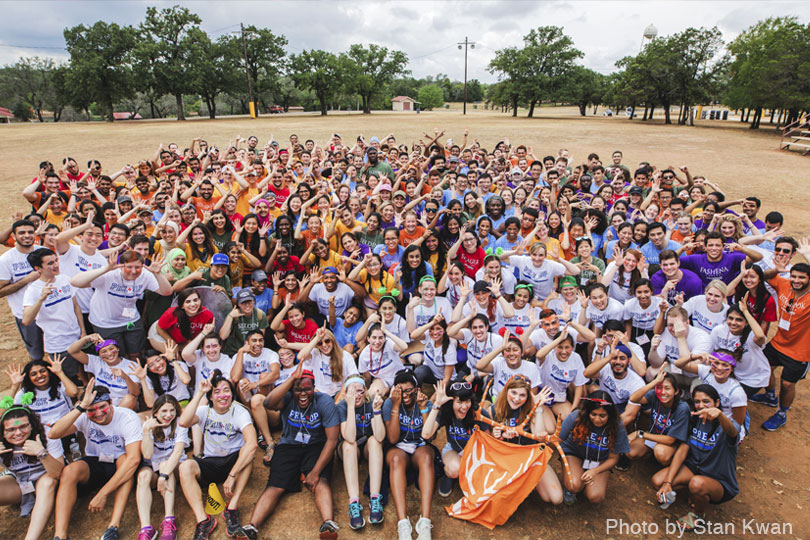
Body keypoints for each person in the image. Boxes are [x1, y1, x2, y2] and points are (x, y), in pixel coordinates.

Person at [243, 366, 341, 540]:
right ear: (292, 389)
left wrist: (315, 472)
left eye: (307, 389)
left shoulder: (324, 402)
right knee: (275, 485)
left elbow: (332, 440)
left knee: (320, 482)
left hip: (316, 446)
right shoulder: (287, 397)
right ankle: (251, 528)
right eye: (298, 389)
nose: (303, 394)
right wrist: (290, 381)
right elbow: (268, 403)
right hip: (289, 446)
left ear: (314, 388)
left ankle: (328, 524)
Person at [49, 380, 143, 540]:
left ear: (111, 403)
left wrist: (103, 493)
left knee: (125, 462)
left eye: (102, 407)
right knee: (70, 471)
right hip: (96, 460)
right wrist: (80, 408)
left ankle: (113, 526)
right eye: (92, 410)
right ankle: (60, 535)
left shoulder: (127, 417)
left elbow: (134, 459)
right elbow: (53, 433)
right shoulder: (83, 415)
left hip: (120, 461)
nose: (98, 413)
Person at [178, 370, 257, 540]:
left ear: (232, 394)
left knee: (248, 452)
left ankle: (232, 508)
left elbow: (252, 443)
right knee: (185, 466)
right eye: (217, 392)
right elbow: (183, 422)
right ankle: (203, 520)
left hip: (233, 461)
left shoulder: (239, 412)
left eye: (226, 390)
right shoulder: (204, 410)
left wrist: (232, 474)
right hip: (210, 461)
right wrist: (200, 392)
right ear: (211, 397)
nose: (222, 395)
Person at [651, 385, 740, 532]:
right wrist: (668, 483)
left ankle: (698, 515)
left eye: (706, 401)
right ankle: (695, 494)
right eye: (697, 402)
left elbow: (732, 432)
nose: (701, 405)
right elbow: (682, 451)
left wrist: (719, 415)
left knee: (697, 483)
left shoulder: (727, 424)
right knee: (658, 481)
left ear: (717, 403)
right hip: (696, 469)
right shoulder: (694, 420)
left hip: (719, 480)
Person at [70, 251, 172, 359]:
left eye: (137, 267)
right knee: (117, 356)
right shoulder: (109, 274)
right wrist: (105, 269)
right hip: (105, 323)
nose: (133, 271)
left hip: (131, 321)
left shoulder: (145, 275)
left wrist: (157, 274)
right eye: (129, 267)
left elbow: (167, 291)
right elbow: (75, 282)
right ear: (121, 266)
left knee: (136, 353)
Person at [752, 261, 810, 431]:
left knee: (787, 384)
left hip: (800, 351)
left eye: (802, 277)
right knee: (765, 367)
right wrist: (776, 269)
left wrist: (807, 256)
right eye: (794, 276)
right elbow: (765, 276)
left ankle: (782, 413)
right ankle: (770, 396)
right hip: (778, 343)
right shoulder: (784, 285)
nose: (796, 280)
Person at [486, 377, 560, 504]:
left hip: (531, 459)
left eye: (522, 395)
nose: (516, 398)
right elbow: (488, 443)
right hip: (506, 459)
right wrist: (497, 436)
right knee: (502, 498)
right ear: (506, 391)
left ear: (528, 396)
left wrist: (538, 408)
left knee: (555, 498)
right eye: (513, 393)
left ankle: (529, 483)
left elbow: (539, 437)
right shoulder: (494, 409)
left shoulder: (531, 409)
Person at [383, 370, 436, 540]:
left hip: (420, 445)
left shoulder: (425, 403)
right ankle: (403, 523)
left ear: (417, 389)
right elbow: (392, 438)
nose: (405, 395)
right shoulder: (390, 404)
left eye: (408, 390)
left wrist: (422, 409)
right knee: (396, 460)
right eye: (400, 390)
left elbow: (430, 436)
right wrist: (396, 405)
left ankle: (425, 521)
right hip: (398, 447)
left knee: (427, 457)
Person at [0, 403, 65, 540]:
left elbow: (59, 473)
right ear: (3, 433)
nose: (18, 433)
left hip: (47, 478)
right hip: (21, 482)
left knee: (46, 483)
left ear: (32, 425)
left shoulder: (48, 435)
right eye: (11, 429)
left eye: (23, 426)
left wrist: (41, 453)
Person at [559, 391, 630, 505]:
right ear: (587, 412)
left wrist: (595, 471)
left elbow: (613, 458)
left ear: (610, 415)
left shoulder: (617, 426)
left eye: (602, 416)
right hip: (574, 453)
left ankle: (587, 477)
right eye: (593, 414)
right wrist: (544, 439)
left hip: (600, 460)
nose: (597, 419)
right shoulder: (577, 417)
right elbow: (557, 440)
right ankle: (571, 487)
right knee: (574, 485)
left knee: (595, 496)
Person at [136, 394, 189, 540]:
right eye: (164, 411)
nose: (169, 415)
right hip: (154, 469)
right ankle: (146, 528)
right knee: (143, 475)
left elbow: (178, 451)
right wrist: (147, 431)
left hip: (176, 468)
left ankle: (169, 521)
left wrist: (164, 475)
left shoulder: (180, 423)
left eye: (172, 410)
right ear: (155, 413)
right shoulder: (149, 425)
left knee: (166, 464)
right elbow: (147, 455)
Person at [337, 377, 386, 530]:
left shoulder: (371, 403)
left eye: (360, 391)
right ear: (345, 393)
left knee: (374, 441)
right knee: (348, 445)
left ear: (365, 391)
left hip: (366, 448)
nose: (356, 395)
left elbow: (380, 436)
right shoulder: (343, 406)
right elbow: (350, 437)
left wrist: (377, 411)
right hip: (348, 449)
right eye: (352, 391)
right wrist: (351, 407)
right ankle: (354, 503)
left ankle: (375, 499)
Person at [230, 331, 280, 464]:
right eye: (254, 340)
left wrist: (256, 384)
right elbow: (234, 378)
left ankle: (268, 440)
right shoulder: (240, 355)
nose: (258, 344)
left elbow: (275, 374)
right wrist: (241, 352)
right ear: (247, 343)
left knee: (264, 377)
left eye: (260, 340)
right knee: (242, 382)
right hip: (248, 405)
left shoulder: (270, 354)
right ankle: (256, 421)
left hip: (268, 406)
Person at [624, 370, 690, 466]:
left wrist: (640, 433)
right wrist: (653, 383)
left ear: (676, 391)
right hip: (654, 436)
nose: (663, 392)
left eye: (667, 388)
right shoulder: (655, 395)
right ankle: (651, 453)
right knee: (630, 452)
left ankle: (670, 465)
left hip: (671, 443)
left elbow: (670, 440)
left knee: (660, 452)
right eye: (659, 388)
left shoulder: (682, 408)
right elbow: (633, 398)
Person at [0, 220, 44, 362]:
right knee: (36, 353)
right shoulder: (6, 260)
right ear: (13, 235)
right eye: (22, 233)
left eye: (30, 232)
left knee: (59, 348)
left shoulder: (42, 252)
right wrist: (27, 279)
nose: (27, 236)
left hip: (50, 311)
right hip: (26, 315)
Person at [68, 335, 141, 410]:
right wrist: (87, 338)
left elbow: (135, 393)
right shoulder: (96, 361)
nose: (109, 354)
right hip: (100, 401)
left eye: (111, 349)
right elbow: (72, 351)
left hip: (121, 404)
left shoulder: (131, 366)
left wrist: (125, 377)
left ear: (118, 349)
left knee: (130, 398)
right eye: (104, 351)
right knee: (78, 405)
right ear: (99, 355)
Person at [299, 326, 359, 397]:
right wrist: (316, 339)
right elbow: (300, 356)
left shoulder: (345, 356)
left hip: (339, 393)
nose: (324, 345)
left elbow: (355, 377)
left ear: (333, 341)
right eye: (320, 343)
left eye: (327, 341)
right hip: (319, 393)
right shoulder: (315, 353)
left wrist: (343, 391)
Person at [220, 289, 270, 356]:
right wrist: (230, 317)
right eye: (243, 303)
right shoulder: (233, 315)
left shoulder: (260, 315)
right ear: (239, 304)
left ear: (254, 301)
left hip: (252, 351)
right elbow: (223, 336)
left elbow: (260, 338)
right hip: (233, 352)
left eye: (249, 302)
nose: (247, 305)